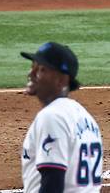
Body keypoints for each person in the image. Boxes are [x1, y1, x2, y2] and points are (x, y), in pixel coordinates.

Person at [21, 42, 102, 192]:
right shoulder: (86, 118)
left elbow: (53, 183)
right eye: (33, 67)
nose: (31, 74)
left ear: (62, 80)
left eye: (41, 69)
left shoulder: (52, 117)